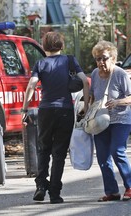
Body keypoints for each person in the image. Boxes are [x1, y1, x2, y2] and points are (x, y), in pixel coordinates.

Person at [21, 31, 89, 204]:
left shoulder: (40, 63)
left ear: (44, 47)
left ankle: (41, 186)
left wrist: (25, 107)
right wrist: (86, 105)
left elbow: (31, 85)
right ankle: (55, 193)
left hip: (46, 111)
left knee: (43, 149)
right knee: (59, 153)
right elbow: (83, 80)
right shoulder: (70, 60)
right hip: (65, 110)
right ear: (62, 46)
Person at [90, 40, 131, 202]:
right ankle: (112, 192)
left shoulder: (120, 74)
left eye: (104, 58)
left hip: (121, 118)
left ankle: (129, 186)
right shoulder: (94, 73)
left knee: (117, 150)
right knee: (102, 156)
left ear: (113, 58)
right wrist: (86, 107)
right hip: (100, 120)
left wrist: (117, 102)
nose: (101, 62)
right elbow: (93, 94)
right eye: (98, 59)